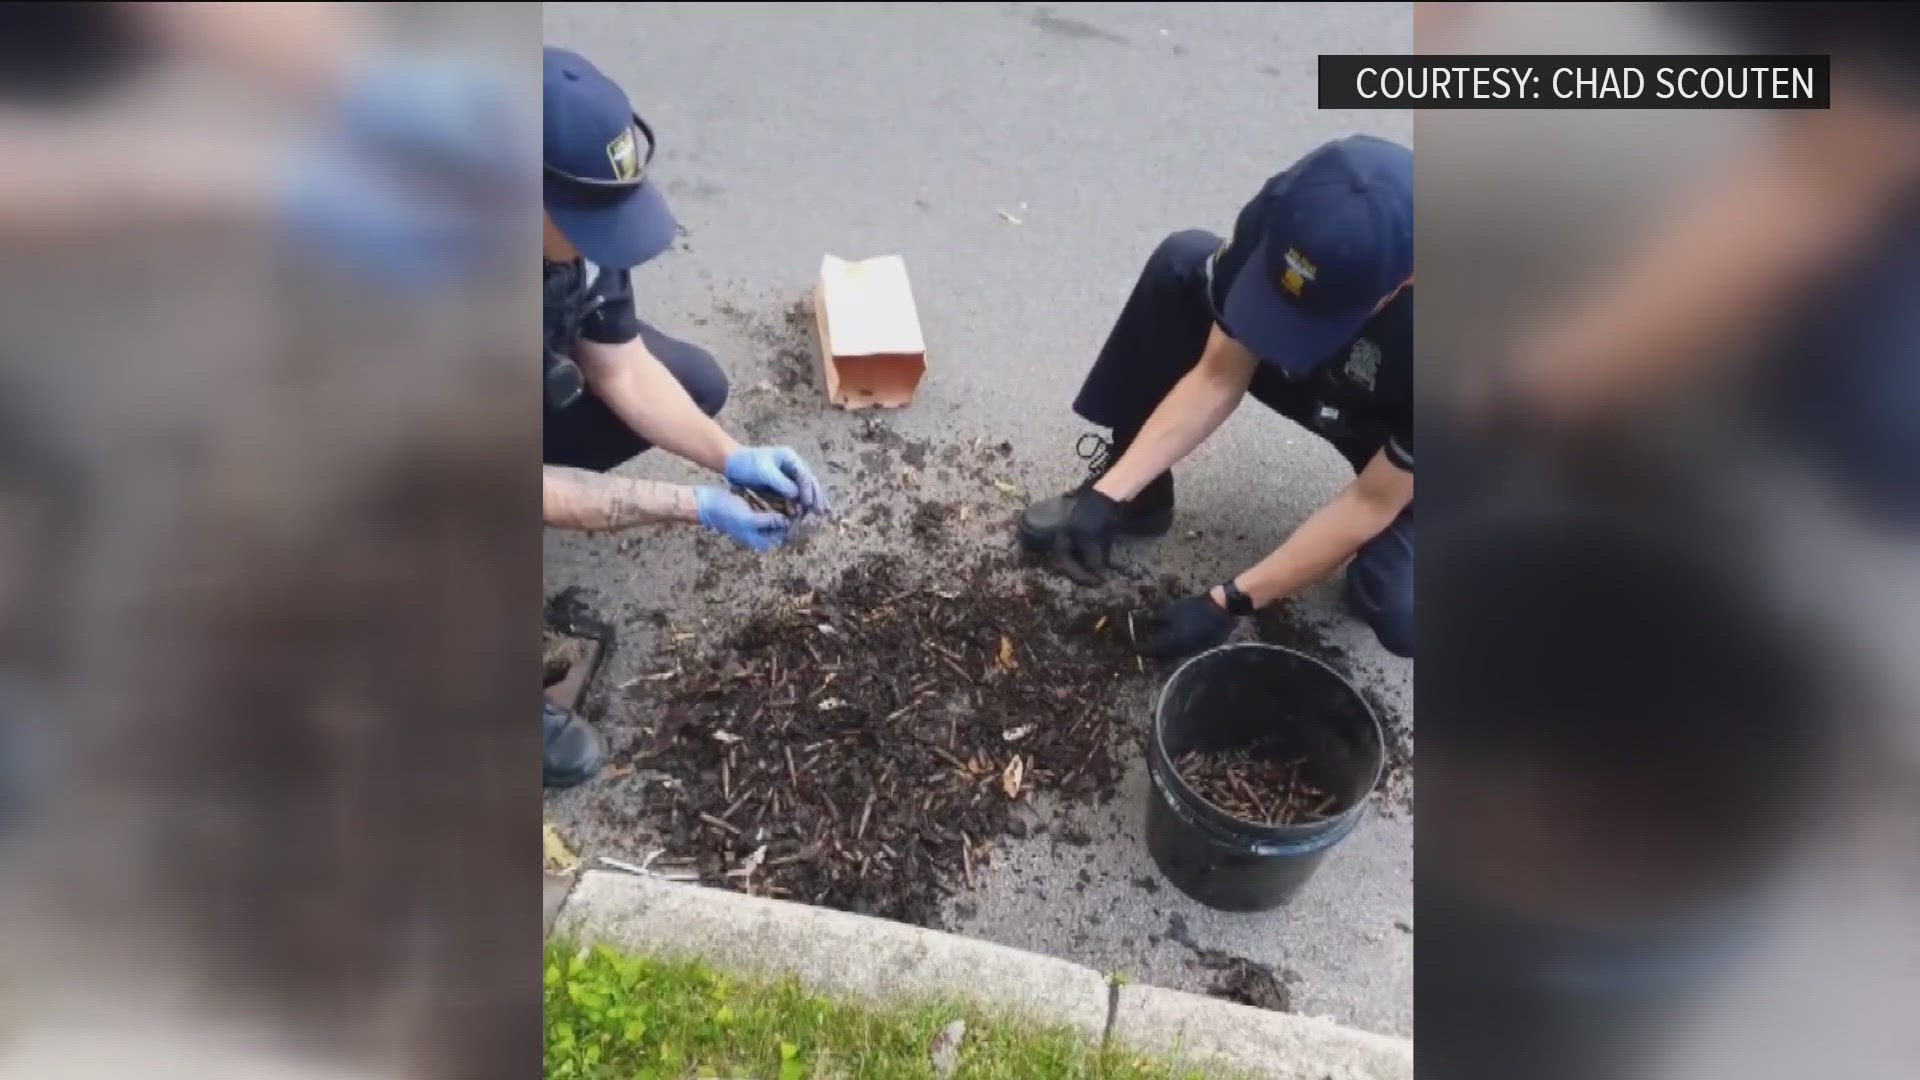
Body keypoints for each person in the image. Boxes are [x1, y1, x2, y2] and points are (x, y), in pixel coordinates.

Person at [540, 47, 829, 788]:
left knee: (692, 383)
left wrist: (732, 458)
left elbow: (619, 362)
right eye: (585, 221)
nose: (603, 240)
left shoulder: (574, 223)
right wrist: (695, 506)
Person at [1019, 135, 1414, 660]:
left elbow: (1373, 499)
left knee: (1400, 607)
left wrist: (1229, 602)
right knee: (1181, 265)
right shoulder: (1286, 211)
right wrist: (1107, 495)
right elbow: (1218, 374)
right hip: (1337, 370)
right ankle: (1140, 502)